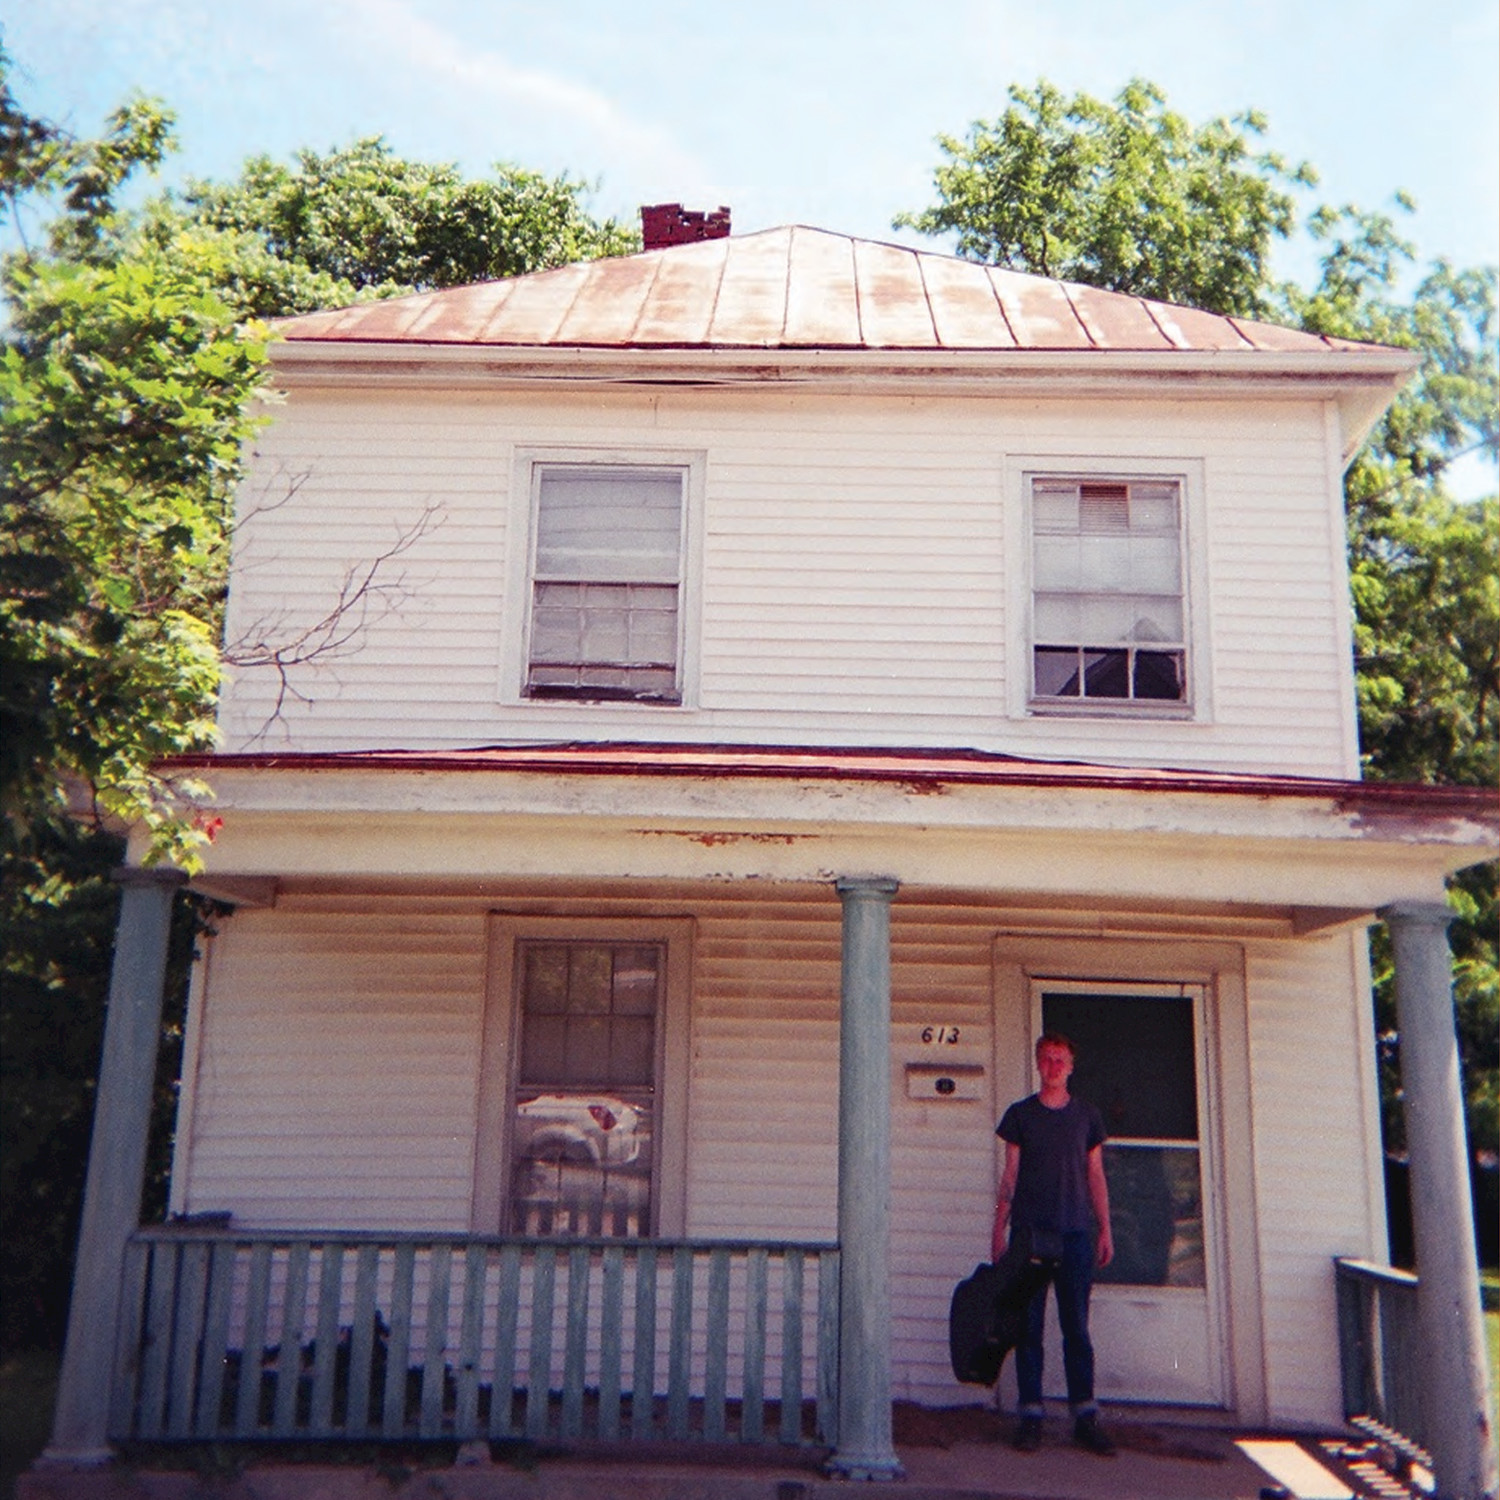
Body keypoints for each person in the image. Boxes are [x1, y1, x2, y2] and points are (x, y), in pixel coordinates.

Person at [992, 1032, 1116, 1456]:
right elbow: (1009, 1176)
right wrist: (998, 1230)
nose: (1054, 1066)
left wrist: (1105, 1228)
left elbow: (1096, 1175)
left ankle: (1084, 1416)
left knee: (1076, 1328)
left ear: (1071, 1067)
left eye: (1061, 1060)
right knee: (1029, 1327)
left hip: (1076, 1234)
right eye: (1047, 1059)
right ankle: (1030, 1415)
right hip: (1029, 1235)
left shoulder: (1087, 1116)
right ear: (1037, 1064)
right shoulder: (1020, 1116)